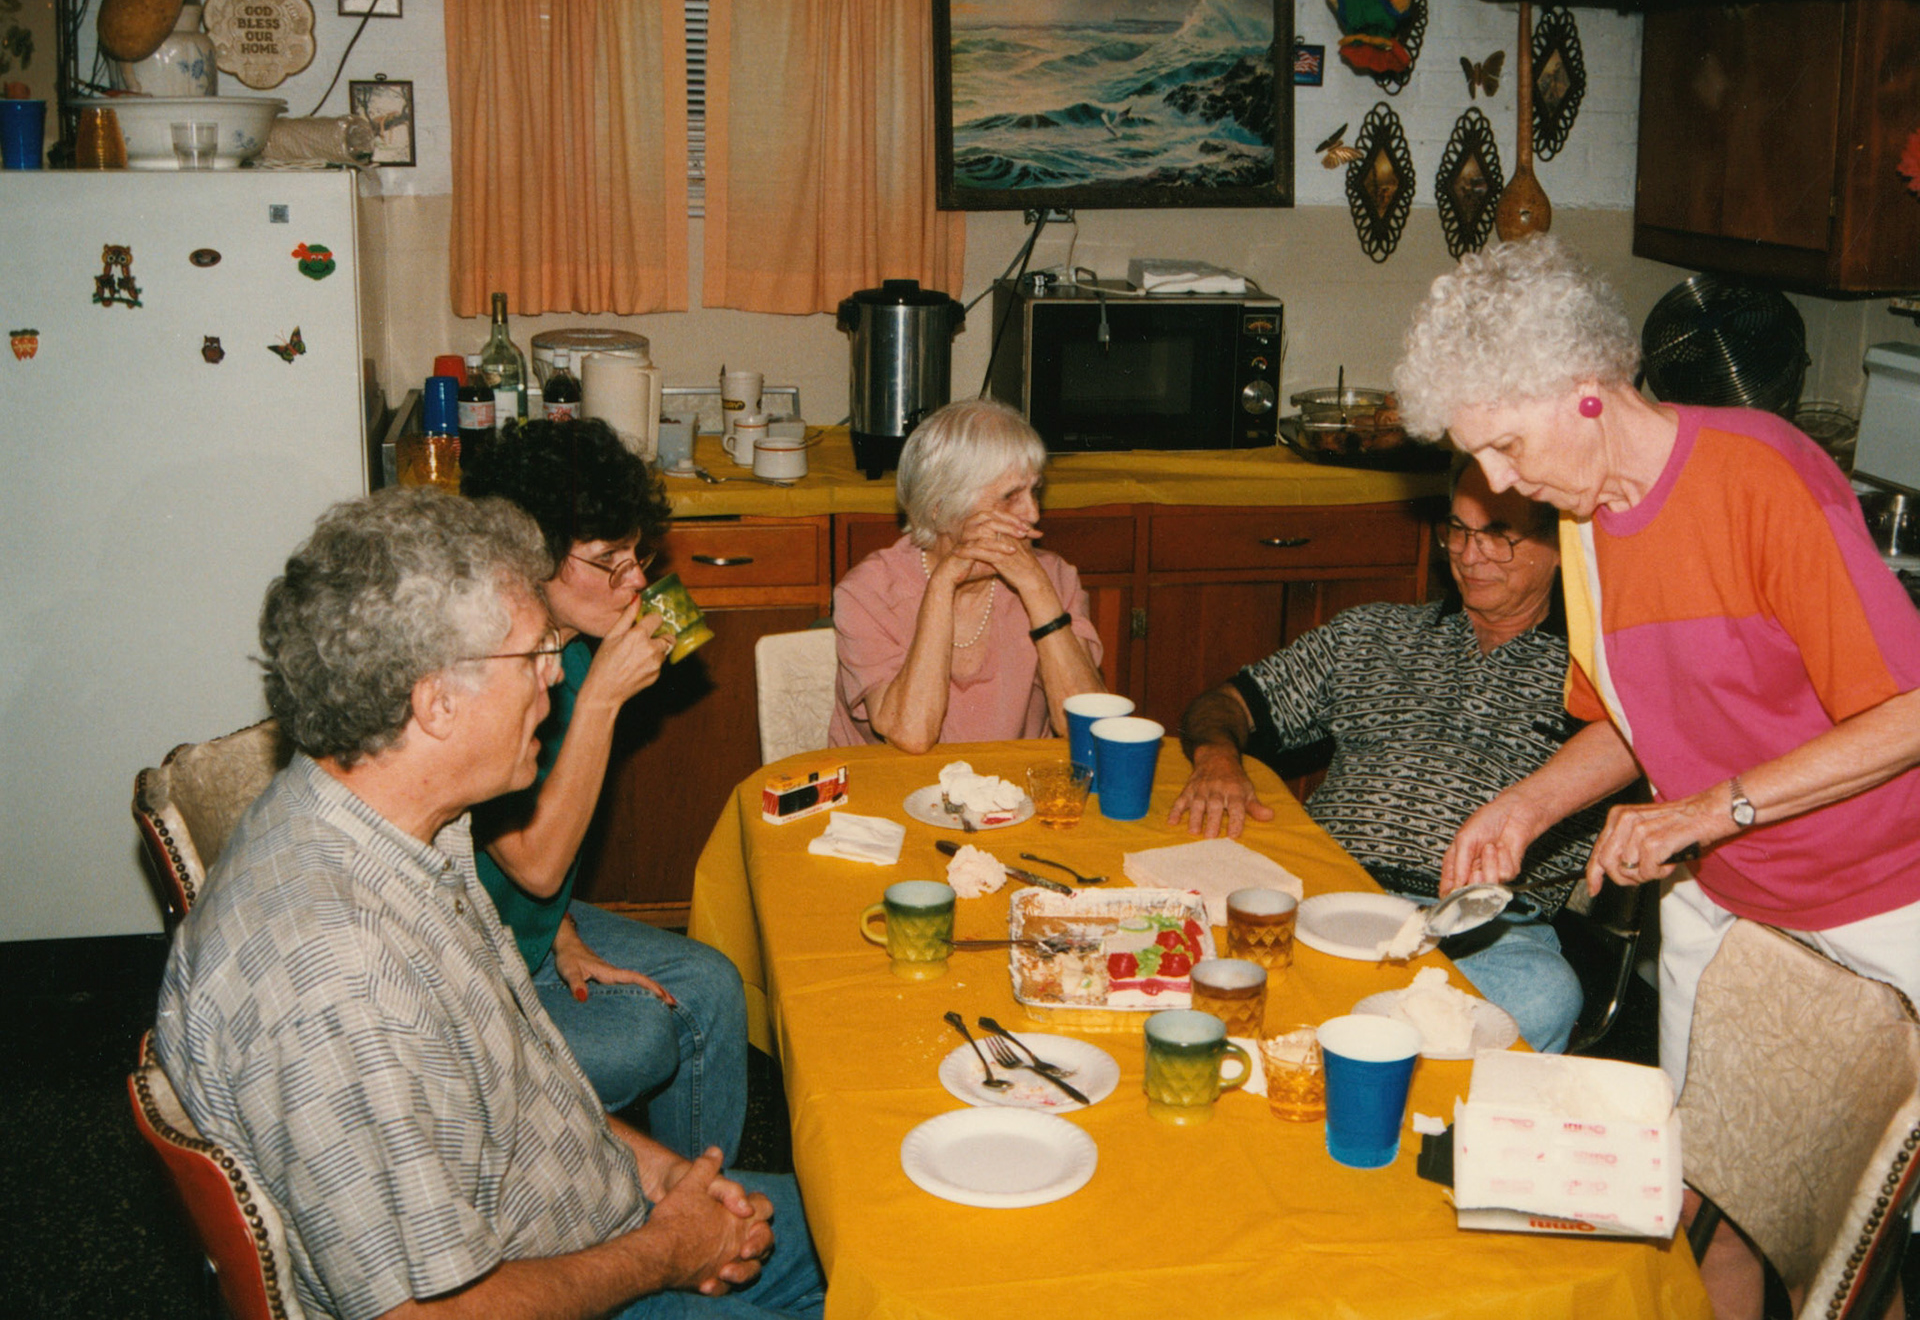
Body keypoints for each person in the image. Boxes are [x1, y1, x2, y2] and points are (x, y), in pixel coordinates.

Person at [1394, 234, 1920, 1319]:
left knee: (1862, 1241)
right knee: (1691, 1199)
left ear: (1584, 389)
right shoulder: (1585, 524)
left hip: (1885, 900)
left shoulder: (1761, 476)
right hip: (1729, 904)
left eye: (1504, 444)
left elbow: (1909, 709)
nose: (1498, 483)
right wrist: (1526, 804)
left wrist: (1711, 809)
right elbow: (1638, 721)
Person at [155, 487, 825, 1320]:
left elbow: (522, 1087)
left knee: (886, 1223)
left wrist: (662, 1174)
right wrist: (667, 1251)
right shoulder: (338, 978)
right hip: (550, 1290)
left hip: (585, 1212)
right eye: (534, 654)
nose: (557, 674)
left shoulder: (410, 826)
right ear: (436, 701)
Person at [1166, 463, 1597, 1052]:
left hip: (1482, 930)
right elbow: (1226, 704)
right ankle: (1356, 1036)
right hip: (1328, 892)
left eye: (1498, 535)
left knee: (1545, 992)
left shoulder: (1595, 679)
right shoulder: (1371, 632)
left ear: (1560, 546)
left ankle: (1348, 1045)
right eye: (1458, 530)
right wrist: (1217, 755)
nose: (1469, 554)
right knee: (1184, 929)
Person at [461, 418, 747, 1164]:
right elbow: (534, 863)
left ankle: (701, 1203)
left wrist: (563, 935)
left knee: (713, 983)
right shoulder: (481, 671)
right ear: (526, 561)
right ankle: (622, 1206)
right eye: (607, 561)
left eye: (637, 556)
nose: (638, 582)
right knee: (639, 1037)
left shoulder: (578, 649)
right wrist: (602, 702)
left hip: (527, 929)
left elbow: (516, 850)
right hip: (466, 963)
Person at [829, 398, 1104, 752]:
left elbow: (1085, 727)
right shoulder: (868, 591)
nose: (1033, 513)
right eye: (1011, 496)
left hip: (1012, 781)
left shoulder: (1053, 577)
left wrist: (1037, 589)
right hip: (894, 781)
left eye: (1034, 491)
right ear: (940, 507)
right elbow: (911, 734)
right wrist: (943, 585)